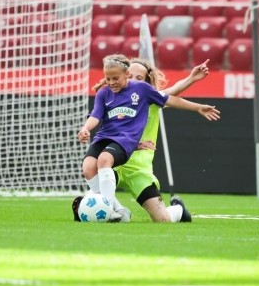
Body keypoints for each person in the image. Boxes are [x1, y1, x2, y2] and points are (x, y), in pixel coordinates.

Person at [77, 54, 219, 222]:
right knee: (92, 183)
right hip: (112, 166)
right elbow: (100, 121)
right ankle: (105, 208)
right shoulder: (110, 96)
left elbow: (171, 95)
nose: (134, 79)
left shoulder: (148, 98)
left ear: (147, 82)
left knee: (162, 219)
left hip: (138, 170)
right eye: (131, 76)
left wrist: (191, 80)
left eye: (139, 77)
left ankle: (178, 210)